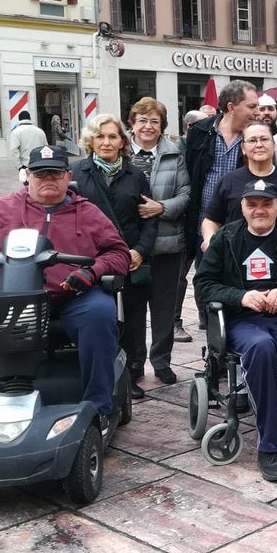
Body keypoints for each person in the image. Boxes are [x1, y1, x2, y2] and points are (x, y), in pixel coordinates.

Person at [0, 145, 129, 434]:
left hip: (70, 297)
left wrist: (91, 272)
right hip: (11, 298)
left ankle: (99, 408)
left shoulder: (89, 212)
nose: (48, 180)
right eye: (40, 174)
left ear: (68, 176)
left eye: (55, 174)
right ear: (27, 176)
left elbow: (118, 253)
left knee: (100, 314)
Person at [194, 180, 277, 482]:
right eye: (252, 204)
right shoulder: (226, 237)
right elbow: (203, 285)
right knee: (260, 348)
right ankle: (269, 446)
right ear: (242, 207)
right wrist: (239, 296)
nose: (259, 210)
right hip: (244, 320)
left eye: (266, 203)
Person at [72, 114, 158, 399]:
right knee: (102, 319)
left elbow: (148, 218)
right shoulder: (77, 173)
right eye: (100, 136)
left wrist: (140, 251)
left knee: (133, 318)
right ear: (91, 141)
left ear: (122, 141)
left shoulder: (135, 175)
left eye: (113, 136)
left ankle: (130, 374)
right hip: (93, 263)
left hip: (131, 259)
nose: (106, 142)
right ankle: (101, 372)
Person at [184, 80, 260, 329]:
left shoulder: (255, 137)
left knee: (240, 282)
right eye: (251, 106)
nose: (257, 112)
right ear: (231, 107)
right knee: (206, 280)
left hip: (242, 226)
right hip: (204, 225)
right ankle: (213, 337)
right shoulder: (201, 132)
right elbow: (190, 173)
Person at [126, 98, 191, 387]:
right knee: (134, 308)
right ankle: (134, 361)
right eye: (142, 120)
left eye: (154, 121)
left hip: (167, 242)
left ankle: (162, 361)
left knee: (164, 307)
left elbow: (187, 194)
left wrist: (161, 207)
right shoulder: (121, 151)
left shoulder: (175, 153)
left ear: (162, 125)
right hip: (132, 246)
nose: (148, 126)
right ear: (132, 123)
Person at [202, 121, 277, 247]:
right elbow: (211, 220)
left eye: (264, 139)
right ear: (243, 148)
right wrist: (210, 242)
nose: (259, 145)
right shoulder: (228, 181)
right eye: (252, 140)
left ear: (274, 145)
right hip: (235, 259)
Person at [9, 110, 48, 182]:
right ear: (29, 118)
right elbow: (46, 147)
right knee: (40, 185)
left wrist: (19, 166)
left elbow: (14, 150)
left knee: (28, 188)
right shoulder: (40, 131)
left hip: (26, 165)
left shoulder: (16, 132)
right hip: (40, 164)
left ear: (19, 119)